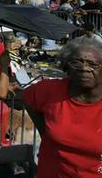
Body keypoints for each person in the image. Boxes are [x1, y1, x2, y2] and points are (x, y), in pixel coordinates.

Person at [23, 37, 102, 177]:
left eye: (93, 64)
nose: (84, 68)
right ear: (66, 68)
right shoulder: (49, 91)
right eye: (76, 63)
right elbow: (27, 99)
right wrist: (46, 131)